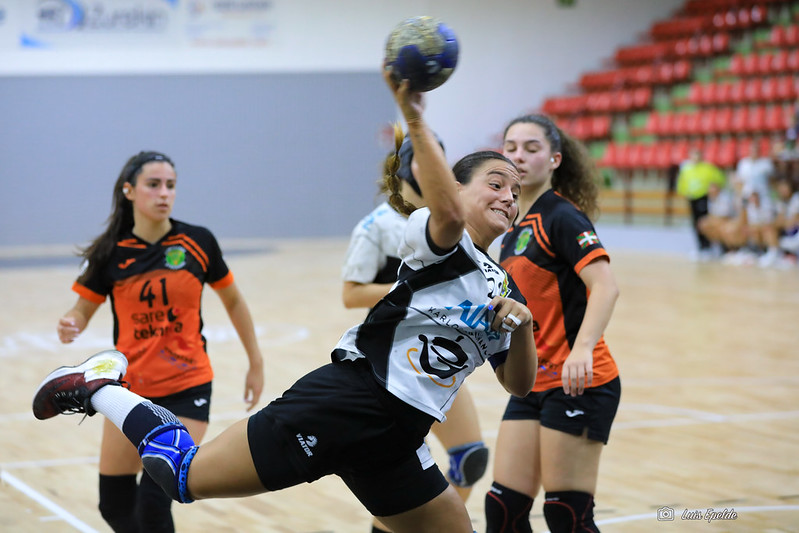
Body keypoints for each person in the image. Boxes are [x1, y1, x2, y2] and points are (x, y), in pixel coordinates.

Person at [33, 71, 538, 533]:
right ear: (455, 189)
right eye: (495, 184)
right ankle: (99, 387)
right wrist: (413, 117)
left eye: (516, 193)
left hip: (400, 435)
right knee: (183, 476)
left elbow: (518, 383)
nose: (508, 198)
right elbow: (446, 215)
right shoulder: (442, 241)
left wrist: (524, 327)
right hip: (346, 403)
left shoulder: (503, 288)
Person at [55, 151, 265, 533]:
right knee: (115, 505)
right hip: (129, 393)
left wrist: (256, 363)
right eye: (153, 185)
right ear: (129, 191)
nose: (164, 193)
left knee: (154, 502)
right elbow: (82, 310)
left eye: (170, 185)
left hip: (188, 388)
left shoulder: (198, 242)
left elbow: (234, 300)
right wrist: (72, 322)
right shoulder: (111, 252)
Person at [342, 128, 489, 532]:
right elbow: (350, 294)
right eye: (427, 158)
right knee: (400, 476)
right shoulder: (377, 226)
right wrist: (412, 292)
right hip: (396, 363)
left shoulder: (456, 221)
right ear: (407, 167)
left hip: (443, 361)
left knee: (470, 459)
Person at [484, 114, 621, 533]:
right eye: (510, 148)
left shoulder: (561, 216)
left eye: (531, 148)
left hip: (578, 381)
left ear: (555, 159)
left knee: (566, 516)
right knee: (503, 511)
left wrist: (582, 349)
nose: (519, 157)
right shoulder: (512, 225)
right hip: (532, 383)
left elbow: (605, 286)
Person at [676, 147, 727, 261]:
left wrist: (712, 190)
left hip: (704, 197)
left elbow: (719, 180)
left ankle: (710, 246)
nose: (695, 157)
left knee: (706, 221)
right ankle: (701, 246)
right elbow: (682, 182)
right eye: (693, 155)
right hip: (692, 198)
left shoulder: (708, 167)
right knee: (696, 222)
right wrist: (684, 192)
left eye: (697, 155)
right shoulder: (686, 169)